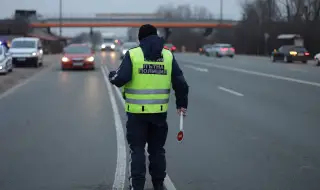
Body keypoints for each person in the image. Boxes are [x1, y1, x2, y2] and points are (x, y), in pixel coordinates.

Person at [109, 24, 189, 190]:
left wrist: (112, 76)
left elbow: (120, 79)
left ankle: (137, 185)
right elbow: (180, 83)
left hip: (137, 114)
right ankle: (158, 184)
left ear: (140, 38)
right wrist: (181, 104)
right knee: (157, 151)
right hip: (159, 115)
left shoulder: (134, 54)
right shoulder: (167, 55)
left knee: (137, 151)